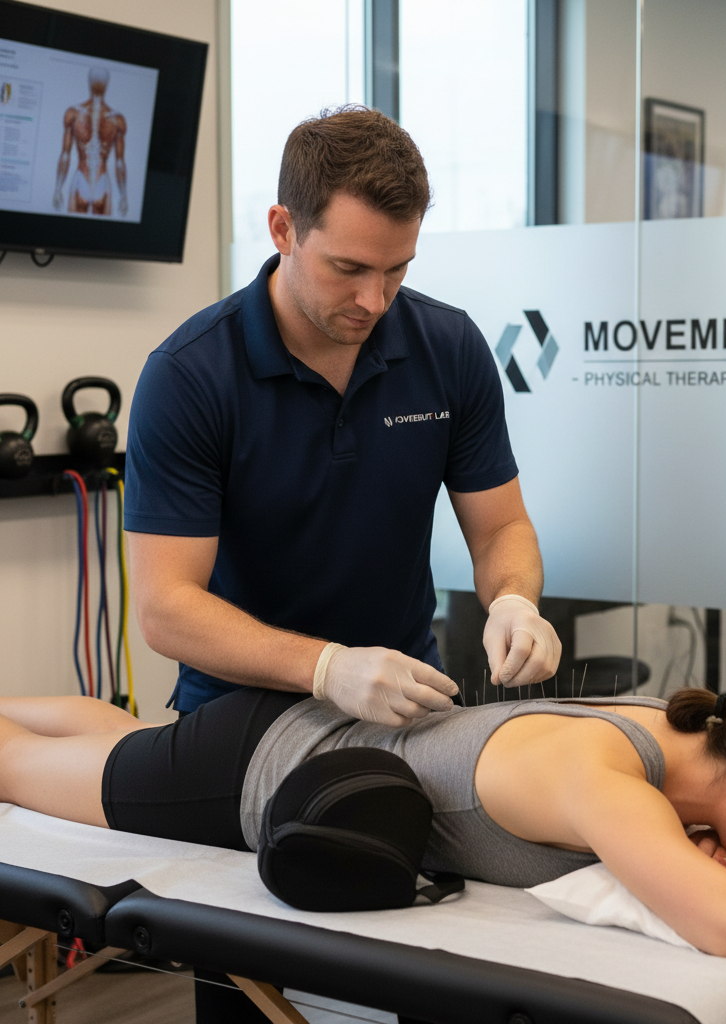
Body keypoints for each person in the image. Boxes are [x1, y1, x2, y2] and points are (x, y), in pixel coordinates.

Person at [124, 105, 561, 724]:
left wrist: (515, 600)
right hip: (238, 718)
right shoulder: (190, 375)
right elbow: (165, 607)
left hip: (409, 701)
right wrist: (329, 668)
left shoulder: (449, 348)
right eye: (348, 268)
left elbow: (498, 529)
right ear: (283, 230)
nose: (373, 300)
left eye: (396, 270)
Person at [0, 670, 726, 959]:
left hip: (288, 732)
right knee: (17, 767)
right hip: (249, 773)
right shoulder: (602, 775)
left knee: (119, 740)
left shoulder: (670, 723)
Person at [53, 67, 128, 217]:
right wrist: (124, 195)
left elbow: (65, 155)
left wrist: (58, 188)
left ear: (89, 83)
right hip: (103, 183)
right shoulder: (117, 120)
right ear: (107, 84)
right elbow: (119, 162)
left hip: (81, 179)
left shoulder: (74, 113)